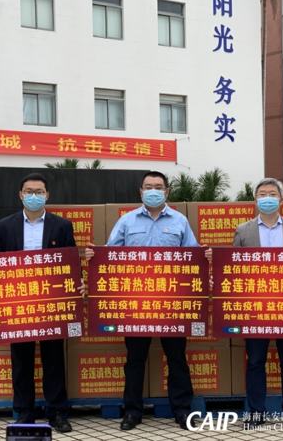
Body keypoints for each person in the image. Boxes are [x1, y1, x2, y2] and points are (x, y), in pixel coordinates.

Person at [85, 171, 199, 431]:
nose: (153, 191)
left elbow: (192, 257)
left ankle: (182, 410)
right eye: (148, 187)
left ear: (167, 192)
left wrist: (205, 257)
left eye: (158, 187)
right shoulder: (127, 221)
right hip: (135, 303)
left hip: (172, 304)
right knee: (135, 359)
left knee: (177, 358)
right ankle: (133, 411)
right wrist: (95, 255)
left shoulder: (180, 221)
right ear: (141, 191)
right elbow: (110, 254)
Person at [0, 172, 79, 433]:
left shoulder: (62, 226)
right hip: (18, 304)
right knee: (21, 361)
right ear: (21, 195)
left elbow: (71, 262)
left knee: (54, 360)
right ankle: (24, 413)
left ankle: (57, 413)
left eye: (39, 192)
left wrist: (78, 284)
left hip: (52, 304)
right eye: (29, 192)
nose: (34, 196)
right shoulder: (5, 225)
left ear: (47, 195)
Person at [233, 178, 283, 430]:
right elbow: (234, 269)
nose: (268, 198)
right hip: (255, 307)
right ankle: (256, 412)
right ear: (255, 200)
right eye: (263, 194)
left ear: (281, 199)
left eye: (273, 194)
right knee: (255, 361)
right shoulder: (243, 231)